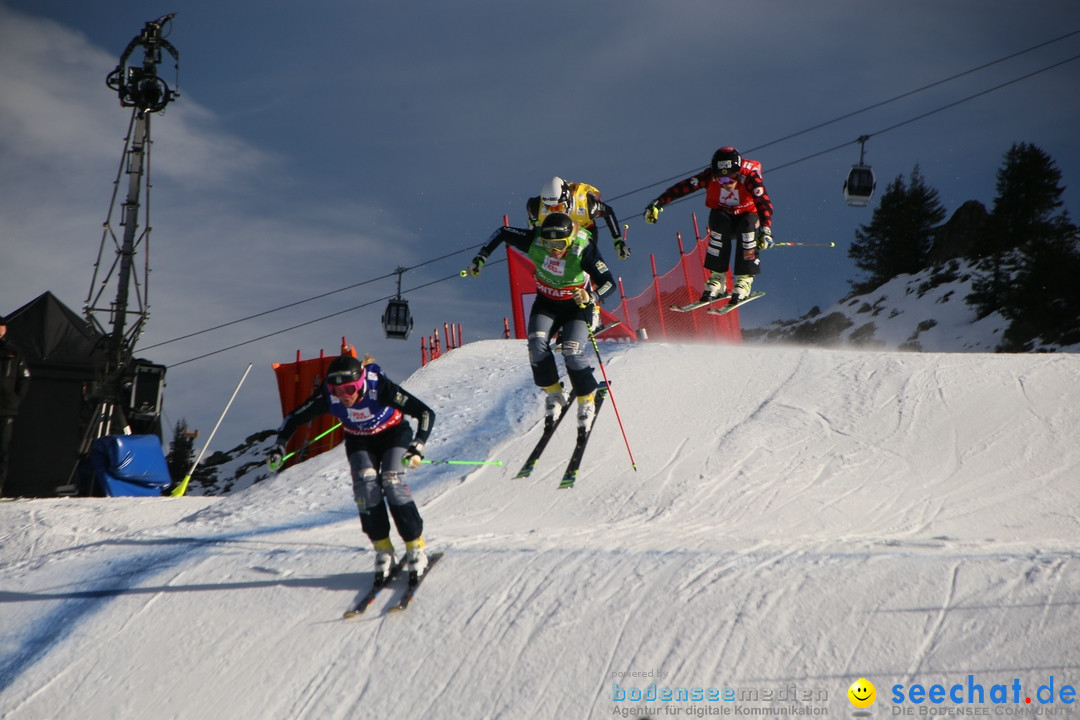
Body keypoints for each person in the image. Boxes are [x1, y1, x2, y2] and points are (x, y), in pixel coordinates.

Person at [268, 352, 436, 582]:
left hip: (393, 435)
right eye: (337, 391)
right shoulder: (329, 396)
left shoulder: (380, 388)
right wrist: (279, 445)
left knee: (392, 481)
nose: (343, 396)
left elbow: (425, 413)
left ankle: (415, 546)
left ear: (360, 384)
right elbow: (293, 418)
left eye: (349, 389)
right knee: (366, 488)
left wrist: (418, 445)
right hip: (360, 440)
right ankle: (383, 549)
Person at [467, 212, 616, 432]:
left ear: (570, 239)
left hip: (576, 307)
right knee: (536, 347)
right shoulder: (535, 241)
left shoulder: (583, 248)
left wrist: (591, 297)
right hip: (547, 303)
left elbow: (609, 283)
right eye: (549, 243)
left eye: (559, 243)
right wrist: (481, 257)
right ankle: (555, 393)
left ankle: (586, 399)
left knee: (572, 351)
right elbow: (503, 232)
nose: (554, 250)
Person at [643, 146, 775, 305]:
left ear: (738, 172)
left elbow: (764, 203)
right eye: (721, 179)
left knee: (746, 228)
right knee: (718, 223)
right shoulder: (709, 177)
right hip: (724, 218)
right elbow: (682, 187)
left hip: (748, 217)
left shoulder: (750, 176)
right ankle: (718, 278)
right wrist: (658, 203)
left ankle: (744, 280)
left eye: (731, 178)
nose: (727, 183)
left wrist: (765, 229)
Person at [527, 176, 630, 260]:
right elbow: (530, 208)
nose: (555, 212)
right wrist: (534, 223)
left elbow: (608, 212)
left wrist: (617, 240)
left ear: (567, 200)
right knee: (551, 257)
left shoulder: (587, 205)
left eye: (559, 207)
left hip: (584, 229)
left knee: (585, 258)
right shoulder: (537, 207)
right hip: (558, 231)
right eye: (549, 208)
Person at [0, 315, 31, 497]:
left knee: (2, 449)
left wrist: (15, 399)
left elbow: (25, 378)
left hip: (6, 409)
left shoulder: (13, 352)